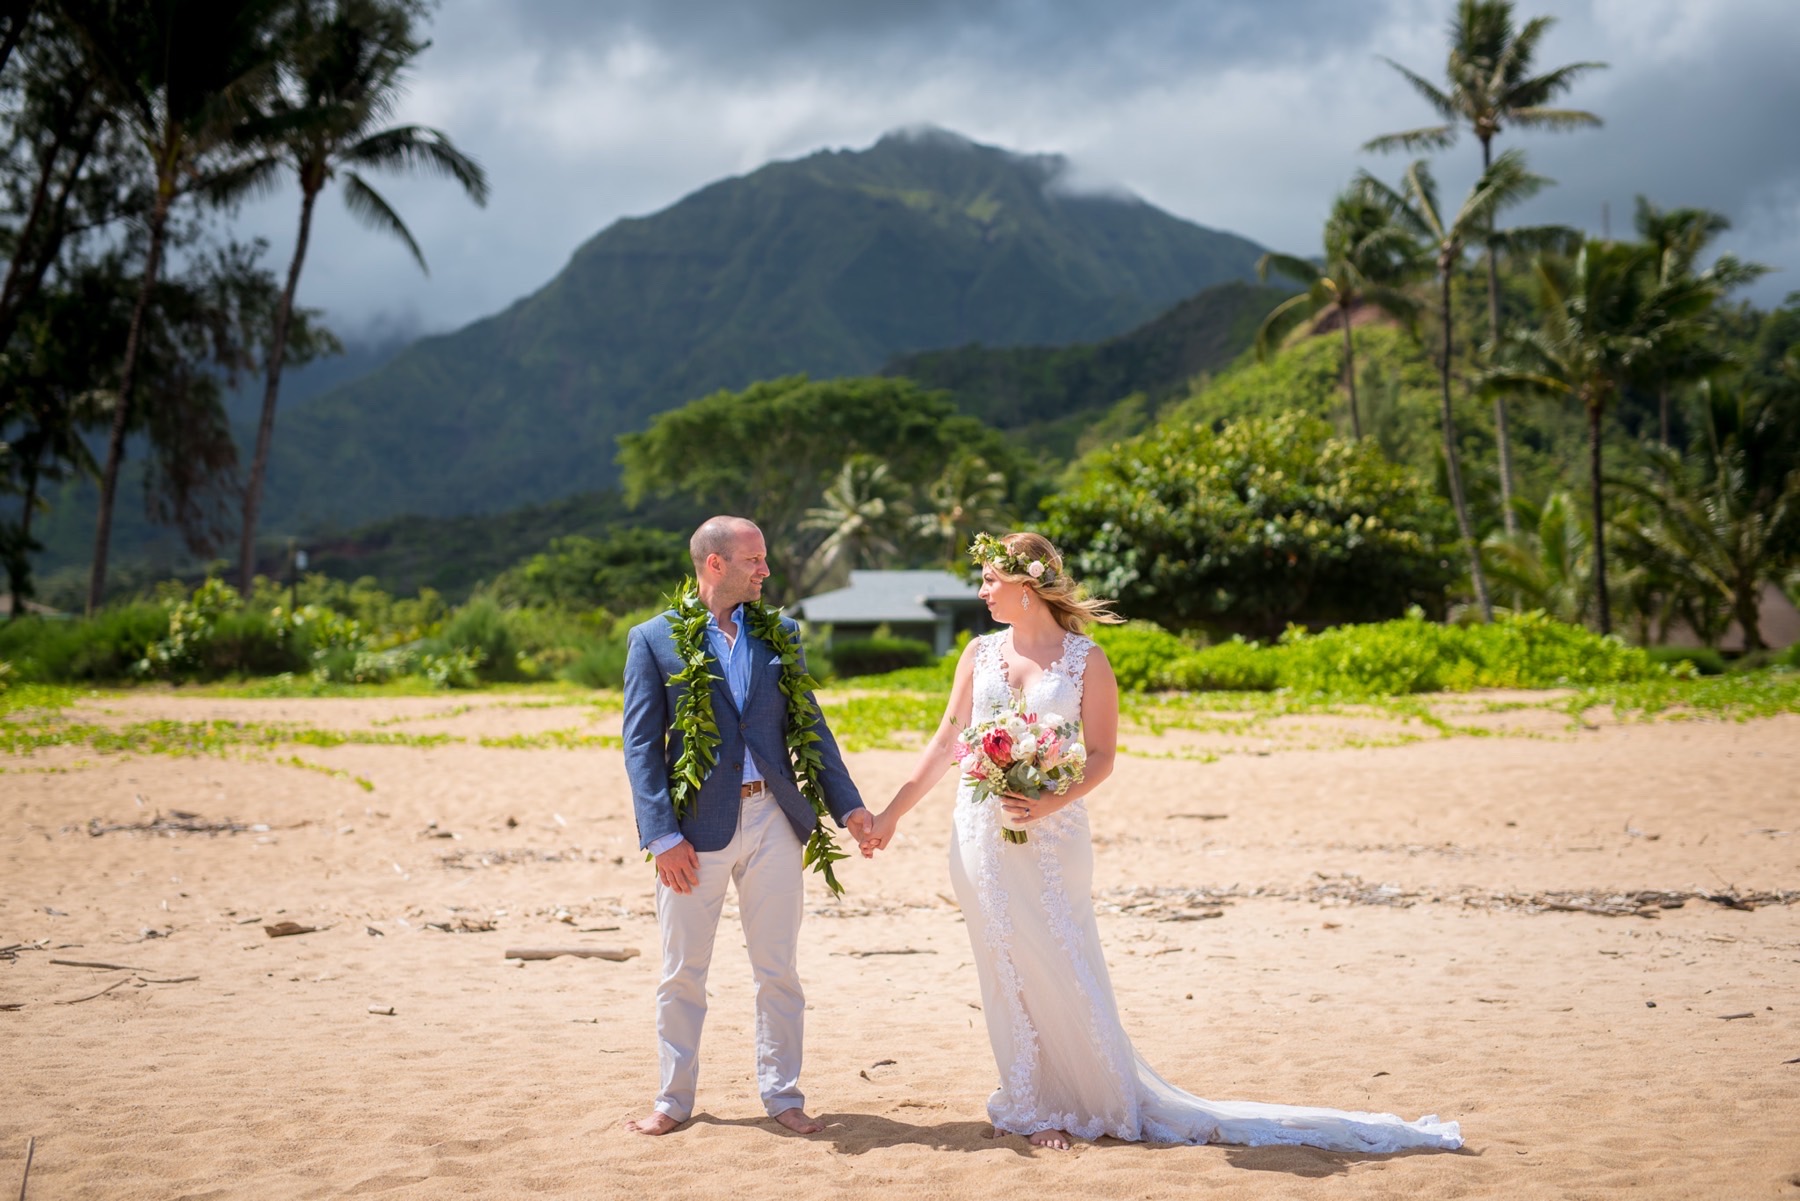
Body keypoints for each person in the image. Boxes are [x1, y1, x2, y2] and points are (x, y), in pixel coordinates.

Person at [859, 532, 1462, 1153]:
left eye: (990, 579)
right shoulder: (978, 654)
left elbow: (1101, 756)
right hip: (980, 833)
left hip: (1054, 834)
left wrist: (1046, 803)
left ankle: (1085, 1100)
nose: (982, 591)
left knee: (1060, 960)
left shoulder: (1086, 660)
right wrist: (892, 814)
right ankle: (1031, 1102)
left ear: (1028, 586)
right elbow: (947, 742)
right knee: (1003, 967)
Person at [622, 515, 873, 1136]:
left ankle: (783, 1094)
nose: (765, 570)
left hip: (774, 821)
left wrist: (850, 807)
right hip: (690, 834)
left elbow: (810, 726)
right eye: (753, 560)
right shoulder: (653, 640)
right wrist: (661, 837)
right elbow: (640, 747)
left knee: (778, 969)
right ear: (715, 564)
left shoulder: (781, 634)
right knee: (682, 972)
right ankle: (672, 1101)